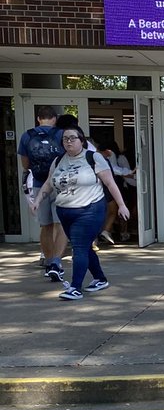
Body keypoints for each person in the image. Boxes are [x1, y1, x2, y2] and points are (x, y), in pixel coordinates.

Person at [28, 127, 129, 301]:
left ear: (81, 141)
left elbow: (111, 184)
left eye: (73, 138)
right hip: (65, 212)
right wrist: (37, 201)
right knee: (84, 247)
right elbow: (48, 184)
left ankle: (75, 288)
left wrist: (121, 205)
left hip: (89, 209)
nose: (68, 141)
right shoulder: (58, 160)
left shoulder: (93, 157)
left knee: (79, 248)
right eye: (65, 139)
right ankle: (100, 278)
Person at [18, 106, 65, 280]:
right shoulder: (61, 134)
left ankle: (48, 260)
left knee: (45, 226)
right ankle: (57, 262)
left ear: (39, 118)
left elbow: (25, 164)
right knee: (61, 225)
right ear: (55, 118)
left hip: (38, 184)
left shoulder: (27, 135)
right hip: (61, 184)